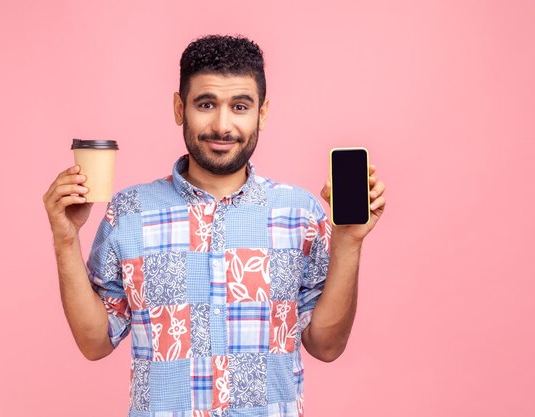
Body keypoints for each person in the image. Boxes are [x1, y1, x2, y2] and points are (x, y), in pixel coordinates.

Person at [43, 34, 386, 417]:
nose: (223, 126)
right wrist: (65, 238)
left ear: (263, 113)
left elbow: (326, 346)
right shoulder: (129, 212)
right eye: (206, 104)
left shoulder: (300, 214)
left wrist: (349, 242)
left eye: (240, 106)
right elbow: (95, 342)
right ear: (179, 108)